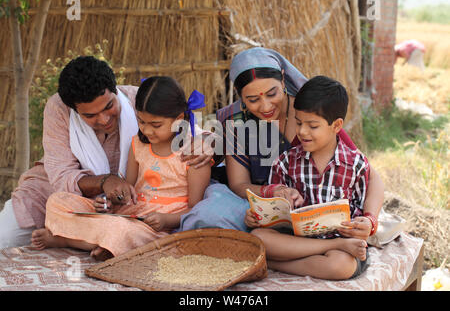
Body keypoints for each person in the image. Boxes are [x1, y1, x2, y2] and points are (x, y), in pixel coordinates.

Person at [0, 56, 211, 249]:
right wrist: (105, 184)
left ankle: (85, 238)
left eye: (109, 106)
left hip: (123, 211)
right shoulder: (59, 109)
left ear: (115, 91)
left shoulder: (139, 100)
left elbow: (196, 133)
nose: (103, 120)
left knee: (123, 229)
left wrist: (207, 142)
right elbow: (62, 177)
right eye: (90, 115)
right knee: (7, 237)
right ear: (74, 110)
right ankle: (94, 236)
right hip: (57, 194)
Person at [179, 47, 384, 236]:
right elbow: (239, 184)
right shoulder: (236, 121)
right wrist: (273, 191)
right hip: (259, 208)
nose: (265, 106)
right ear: (240, 96)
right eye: (252, 100)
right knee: (212, 215)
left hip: (312, 212)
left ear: (283, 80)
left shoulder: (310, 113)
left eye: (272, 94)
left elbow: (370, 176)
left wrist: (370, 219)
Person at [245, 76, 373, 280]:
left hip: (340, 247)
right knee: (258, 237)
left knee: (340, 266)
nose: (302, 131)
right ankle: (305, 255)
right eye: (298, 123)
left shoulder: (356, 164)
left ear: (337, 125)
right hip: (297, 243)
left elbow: (361, 208)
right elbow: (274, 215)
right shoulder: (285, 163)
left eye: (312, 126)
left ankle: (271, 262)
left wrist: (362, 225)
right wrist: (257, 217)